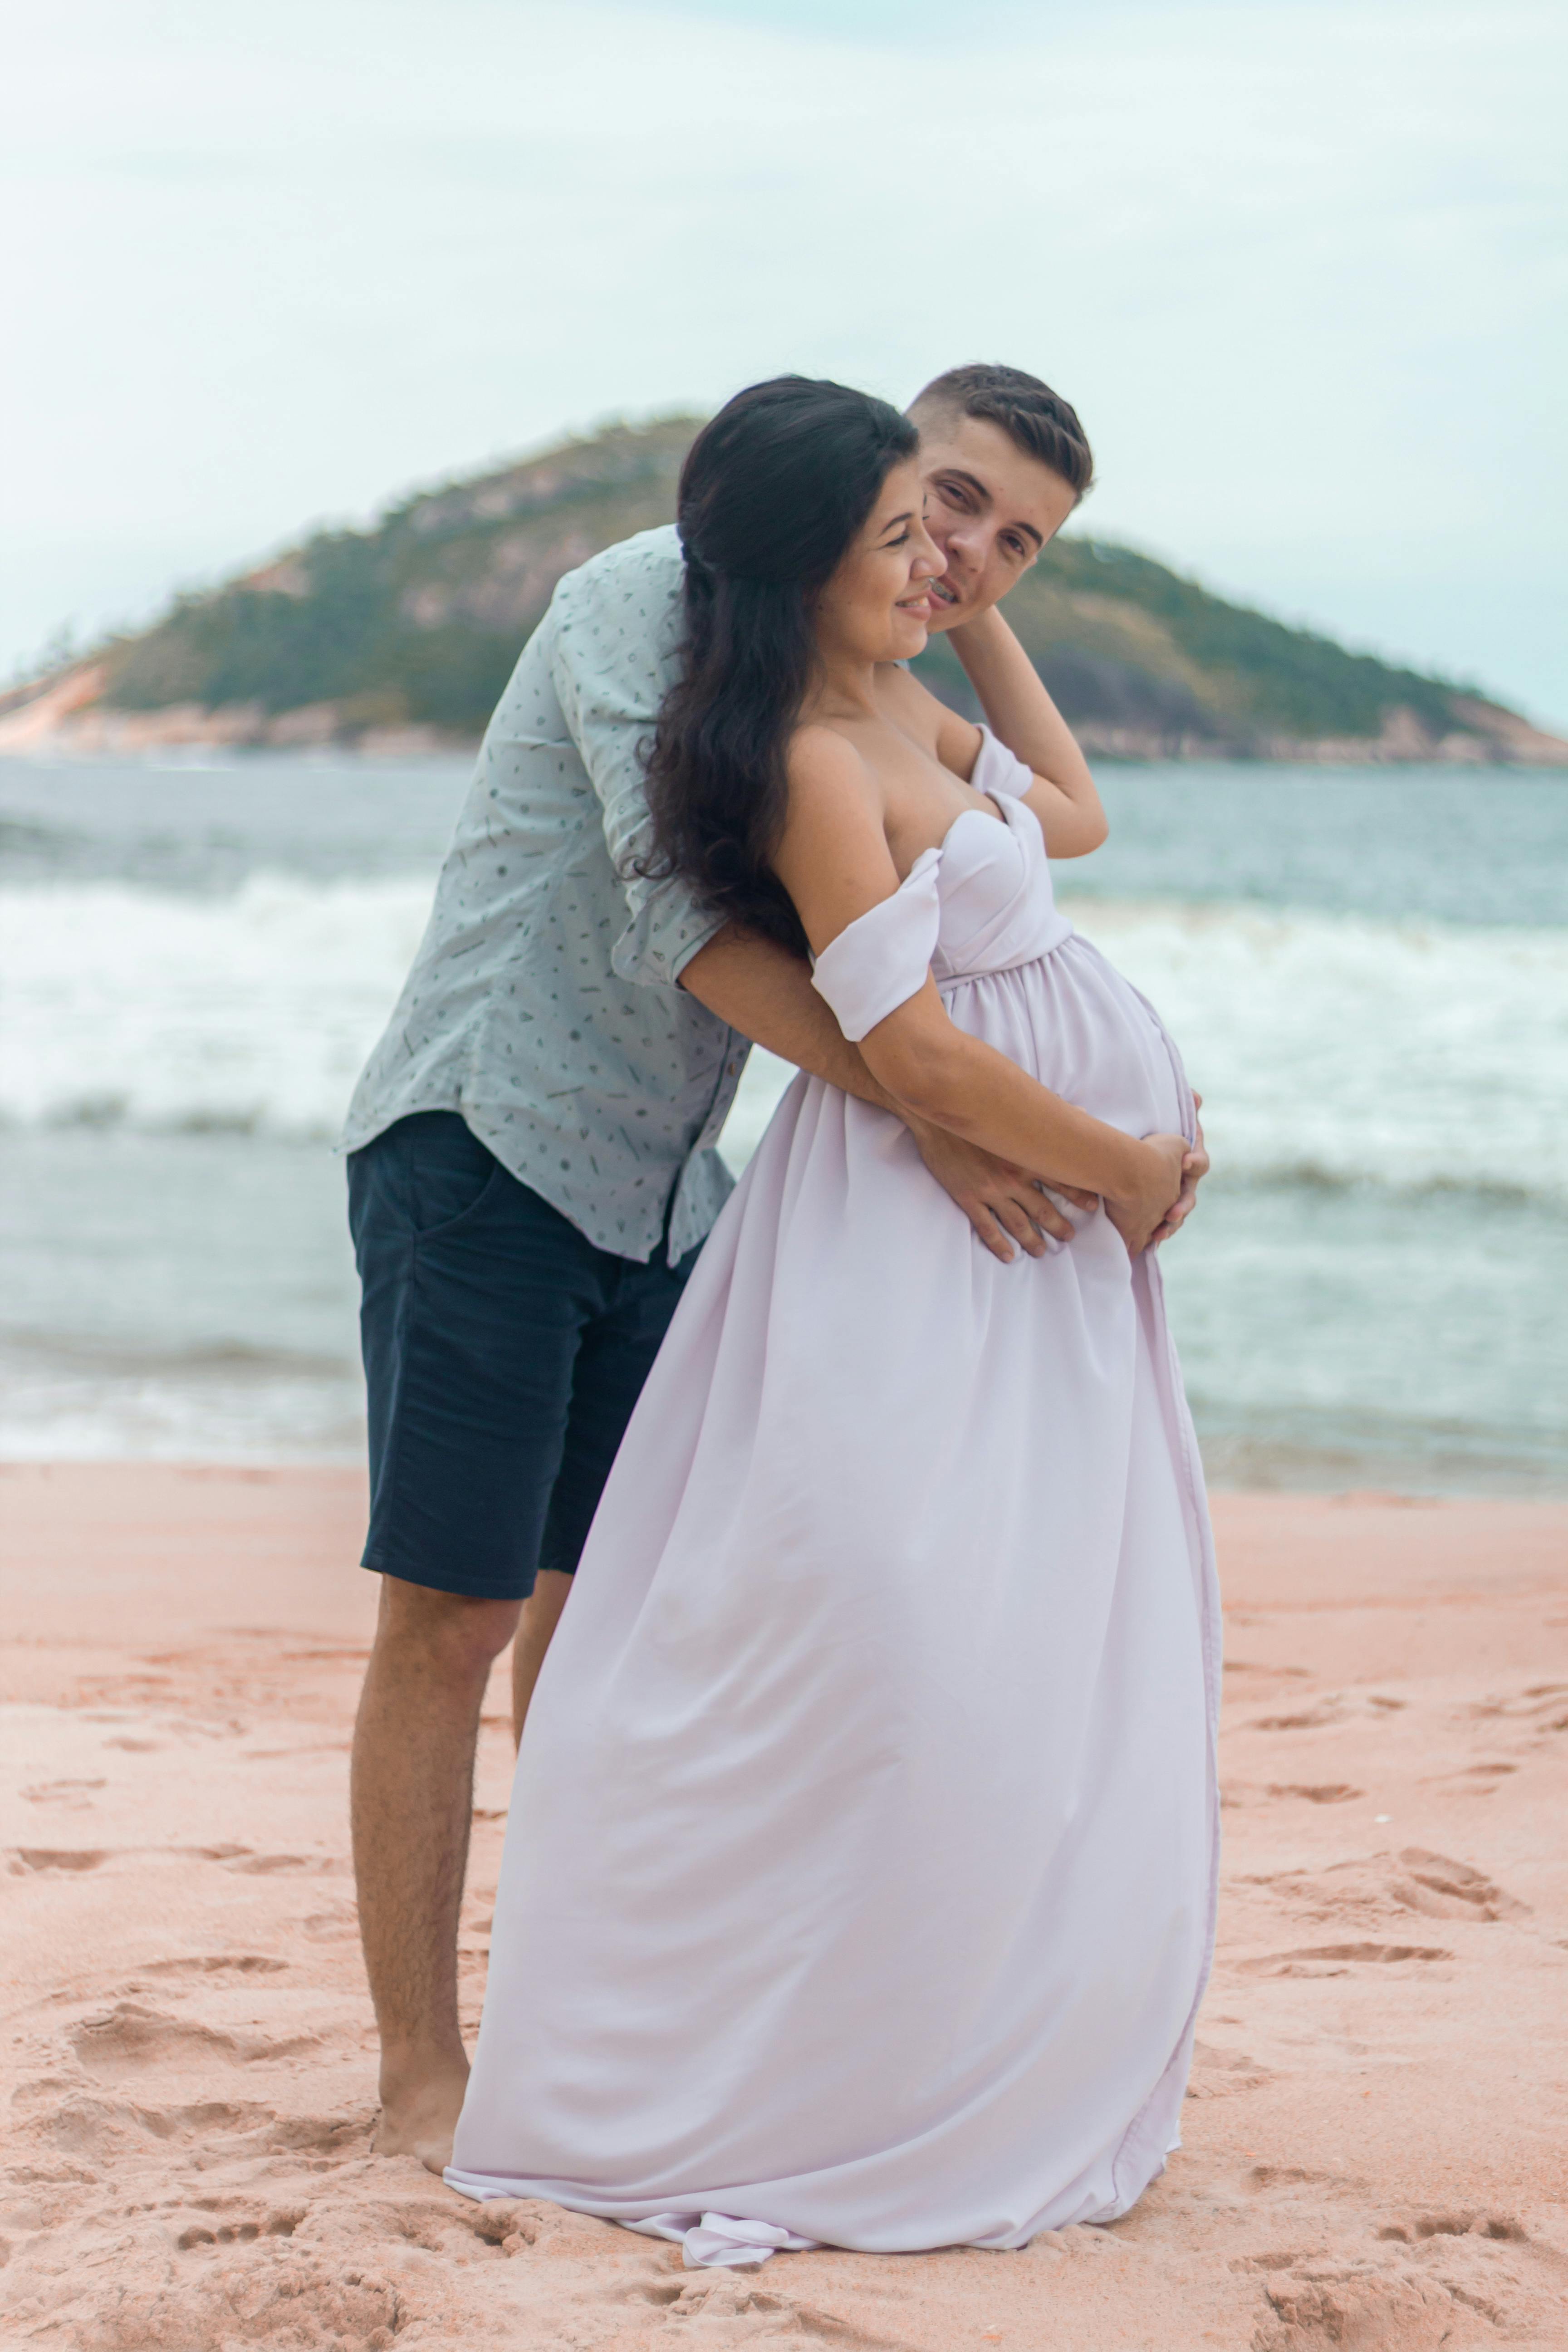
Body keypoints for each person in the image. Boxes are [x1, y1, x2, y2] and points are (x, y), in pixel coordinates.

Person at [341, 362, 1210, 2171]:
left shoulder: (868, 665)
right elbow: (689, 934)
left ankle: (573, 2040)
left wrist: (966, 619)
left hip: (666, 1191)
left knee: (609, 1637)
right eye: (942, 507)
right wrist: (944, 1118)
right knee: (454, 1622)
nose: (962, 553)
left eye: (1012, 542)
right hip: (489, 1140)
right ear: (889, 465)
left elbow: (1059, 812)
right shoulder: (630, 607)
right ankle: (423, 2070)